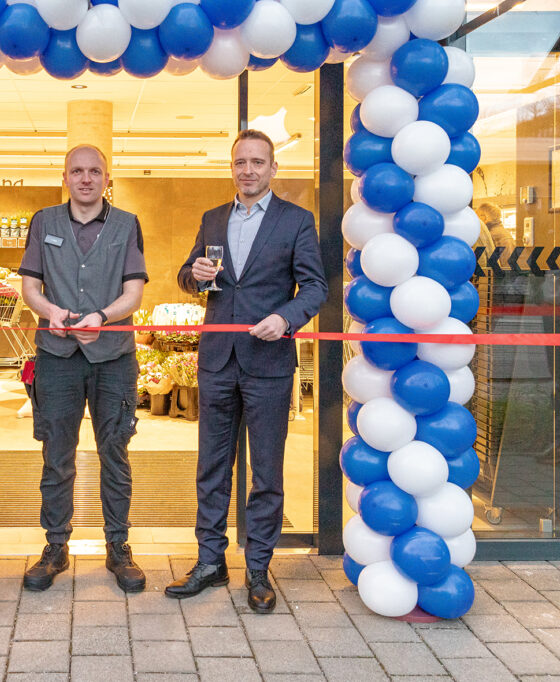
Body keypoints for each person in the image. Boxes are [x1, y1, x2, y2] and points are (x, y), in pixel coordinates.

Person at [166, 129, 327, 612]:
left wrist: (286, 318)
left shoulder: (296, 221)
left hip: (269, 363)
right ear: (232, 168)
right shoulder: (213, 219)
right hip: (217, 361)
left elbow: (315, 287)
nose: (248, 170)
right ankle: (210, 563)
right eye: (240, 162)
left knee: (266, 471)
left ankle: (258, 566)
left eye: (258, 162)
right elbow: (186, 277)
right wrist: (191, 276)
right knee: (211, 468)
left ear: (273, 168)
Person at [17, 144, 148, 593]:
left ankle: (118, 547)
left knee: (115, 453)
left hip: (113, 357)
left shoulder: (127, 224)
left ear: (106, 178)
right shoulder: (44, 221)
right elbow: (30, 286)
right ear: (65, 177)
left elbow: (134, 293)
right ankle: (55, 547)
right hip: (56, 358)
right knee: (57, 456)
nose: (86, 178)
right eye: (77, 171)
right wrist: (49, 310)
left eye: (95, 171)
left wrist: (105, 317)